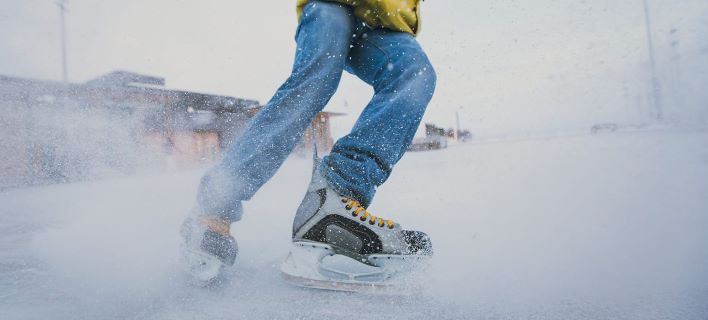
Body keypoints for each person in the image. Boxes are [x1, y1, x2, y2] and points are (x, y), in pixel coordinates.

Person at [181, 0, 436, 289]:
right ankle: (214, 205)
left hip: (387, 21)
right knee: (316, 79)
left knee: (414, 75)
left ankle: (335, 197)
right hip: (332, 5)